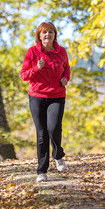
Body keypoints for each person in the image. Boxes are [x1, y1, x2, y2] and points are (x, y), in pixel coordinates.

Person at [20, 22, 70, 182]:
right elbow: (23, 75)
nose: (47, 35)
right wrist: (37, 68)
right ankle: (41, 171)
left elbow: (67, 69)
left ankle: (58, 155)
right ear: (39, 36)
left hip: (57, 95)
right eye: (44, 33)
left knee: (54, 128)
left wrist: (65, 78)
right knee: (42, 134)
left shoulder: (61, 51)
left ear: (55, 35)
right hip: (37, 96)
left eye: (50, 32)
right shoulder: (32, 52)